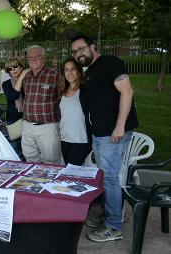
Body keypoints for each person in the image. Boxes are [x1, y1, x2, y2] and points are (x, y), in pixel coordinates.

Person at [71, 34, 138, 242]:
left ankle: (113, 226)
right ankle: (110, 216)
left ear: (93, 46)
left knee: (110, 178)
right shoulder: (90, 71)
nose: (78, 54)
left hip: (113, 134)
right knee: (105, 177)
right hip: (100, 135)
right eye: (74, 52)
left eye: (81, 49)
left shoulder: (110, 62)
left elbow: (127, 92)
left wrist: (119, 127)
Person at [21, 45, 61, 164]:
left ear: (44, 57)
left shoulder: (55, 75)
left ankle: (51, 183)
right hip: (28, 126)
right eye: (30, 57)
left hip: (48, 126)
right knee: (30, 158)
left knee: (51, 160)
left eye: (37, 56)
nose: (33, 59)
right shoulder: (25, 77)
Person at [58, 58, 92, 165]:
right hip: (64, 138)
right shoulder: (63, 91)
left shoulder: (85, 90)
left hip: (80, 139)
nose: (69, 73)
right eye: (66, 70)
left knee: (73, 171)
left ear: (78, 71)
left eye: (73, 69)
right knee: (68, 170)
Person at [1, 57, 29, 138]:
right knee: (15, 147)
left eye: (15, 66)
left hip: (28, 118)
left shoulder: (28, 81)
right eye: (9, 68)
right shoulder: (6, 84)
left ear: (21, 67)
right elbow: (12, 96)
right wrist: (21, 76)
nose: (13, 69)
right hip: (13, 120)